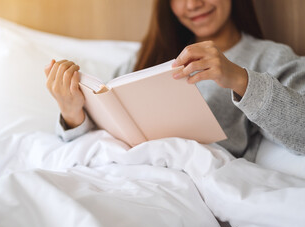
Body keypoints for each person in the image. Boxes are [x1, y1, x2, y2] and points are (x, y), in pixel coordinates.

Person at [45, 0, 305, 162]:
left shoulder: (270, 56)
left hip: (187, 186)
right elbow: (96, 143)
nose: (192, 4)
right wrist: (71, 113)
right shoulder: (144, 58)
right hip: (120, 174)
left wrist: (240, 79)